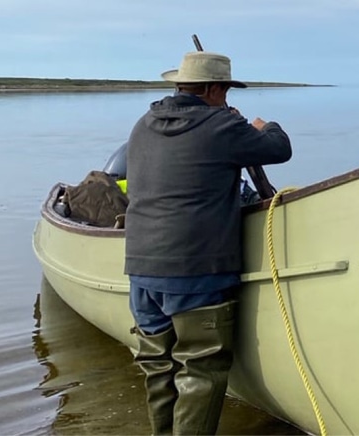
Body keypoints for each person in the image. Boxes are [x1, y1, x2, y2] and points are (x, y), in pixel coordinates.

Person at [123, 50, 293, 435]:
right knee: (202, 370)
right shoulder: (221, 127)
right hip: (195, 271)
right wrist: (266, 125)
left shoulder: (143, 123)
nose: (227, 99)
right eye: (226, 92)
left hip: (140, 269)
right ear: (215, 89)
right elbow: (279, 149)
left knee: (158, 368)